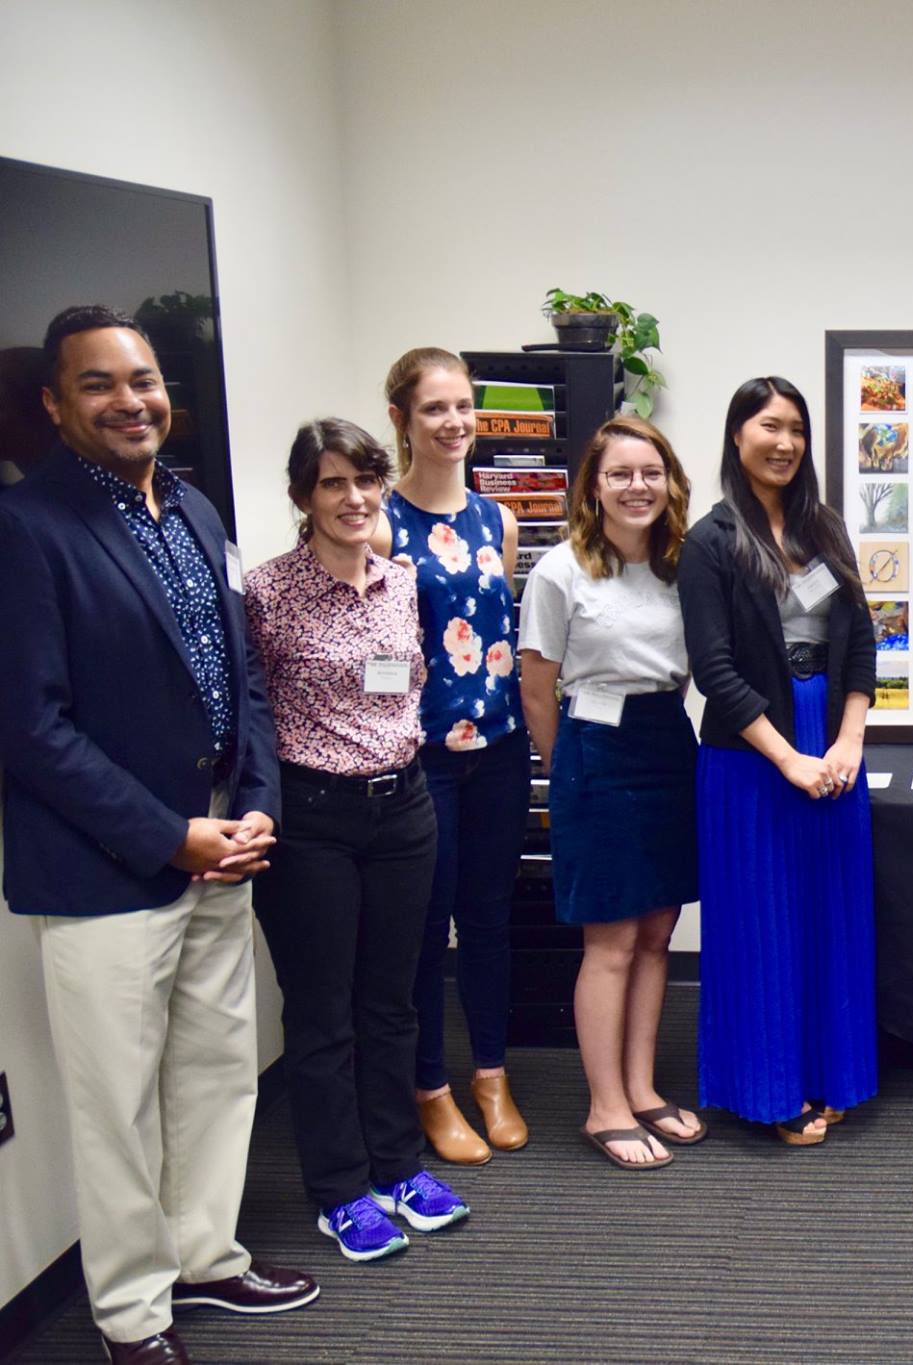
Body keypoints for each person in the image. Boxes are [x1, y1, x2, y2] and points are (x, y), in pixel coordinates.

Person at [0, 306, 316, 1364]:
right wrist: (167, 836)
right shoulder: (26, 528)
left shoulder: (191, 506)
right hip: (105, 871)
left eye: (142, 379)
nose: (130, 400)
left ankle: (206, 1256)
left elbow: (241, 675)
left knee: (217, 1071)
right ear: (54, 404)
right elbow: (28, 728)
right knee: (117, 1105)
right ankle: (132, 1311)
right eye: (99, 385)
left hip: (226, 845)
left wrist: (259, 795)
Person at [245, 418, 471, 1259]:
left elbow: (406, 685)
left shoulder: (402, 580)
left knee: (395, 1000)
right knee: (322, 1011)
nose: (354, 497)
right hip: (313, 821)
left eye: (366, 480)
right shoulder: (267, 593)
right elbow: (250, 714)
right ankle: (339, 1188)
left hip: (404, 809)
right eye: (333, 483)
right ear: (303, 496)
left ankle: (398, 1167)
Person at [681, 376, 879, 1146]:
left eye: (796, 427)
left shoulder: (825, 527)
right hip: (751, 755)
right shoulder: (712, 540)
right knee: (761, 924)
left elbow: (860, 640)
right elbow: (714, 669)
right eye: (769, 425)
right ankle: (769, 1090)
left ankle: (834, 1074)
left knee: (829, 915)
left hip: (832, 744)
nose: (786, 441)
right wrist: (789, 758)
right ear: (738, 436)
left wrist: (848, 742)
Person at [518, 416, 702, 1169]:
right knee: (611, 938)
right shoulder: (560, 570)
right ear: (592, 486)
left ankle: (641, 1087)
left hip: (666, 741)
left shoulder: (680, 566)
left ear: (670, 483)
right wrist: (575, 774)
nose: (637, 486)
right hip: (595, 749)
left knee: (656, 929)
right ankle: (604, 1106)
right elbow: (536, 689)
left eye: (650, 473)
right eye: (620, 473)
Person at [372, 347, 528, 1165]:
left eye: (463, 405)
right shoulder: (379, 524)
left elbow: (499, 637)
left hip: (498, 750)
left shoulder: (496, 520)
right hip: (422, 759)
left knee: (492, 920)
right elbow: (372, 652)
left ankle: (492, 1075)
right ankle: (430, 1088)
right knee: (427, 931)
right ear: (400, 418)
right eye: (434, 407)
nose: (454, 422)